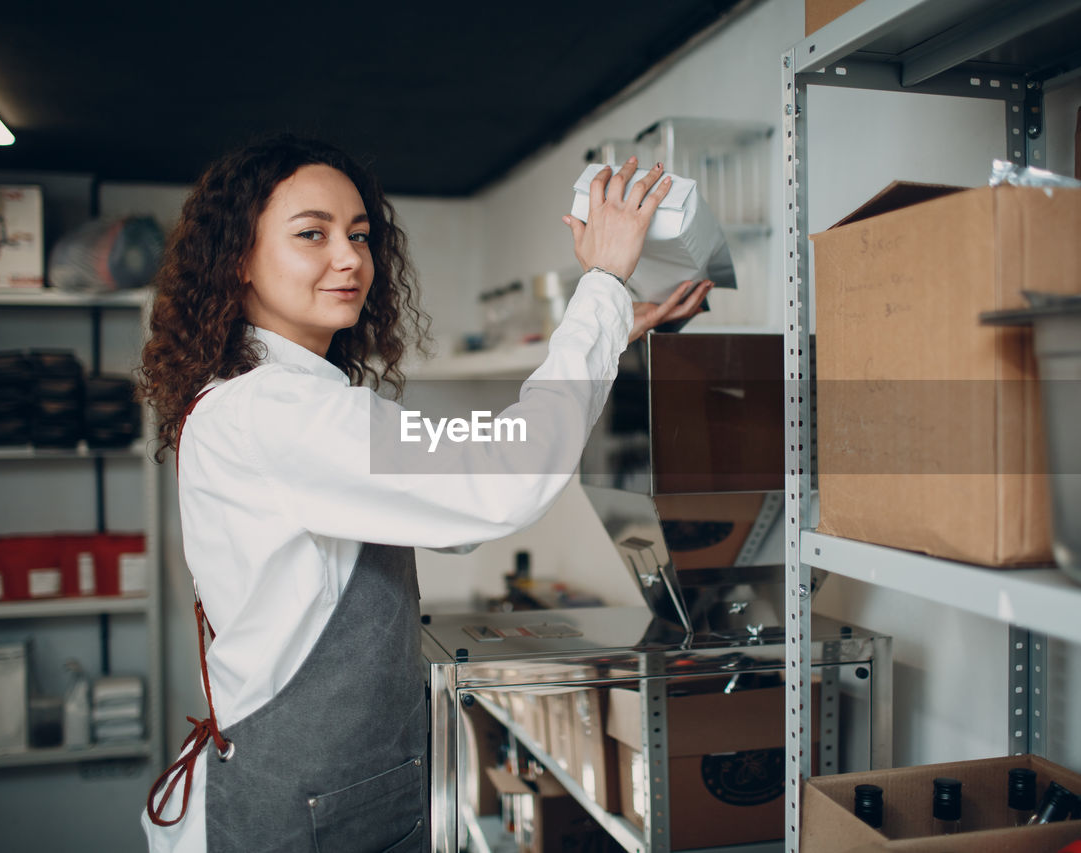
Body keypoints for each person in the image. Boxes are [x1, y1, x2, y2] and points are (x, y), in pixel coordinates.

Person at [137, 134, 711, 853]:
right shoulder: (278, 411)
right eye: (311, 234)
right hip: (301, 815)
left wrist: (604, 337)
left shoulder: (271, 400)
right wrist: (600, 288)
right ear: (239, 260)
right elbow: (501, 479)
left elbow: (456, 501)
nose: (348, 258)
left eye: (359, 235)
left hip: (328, 798)